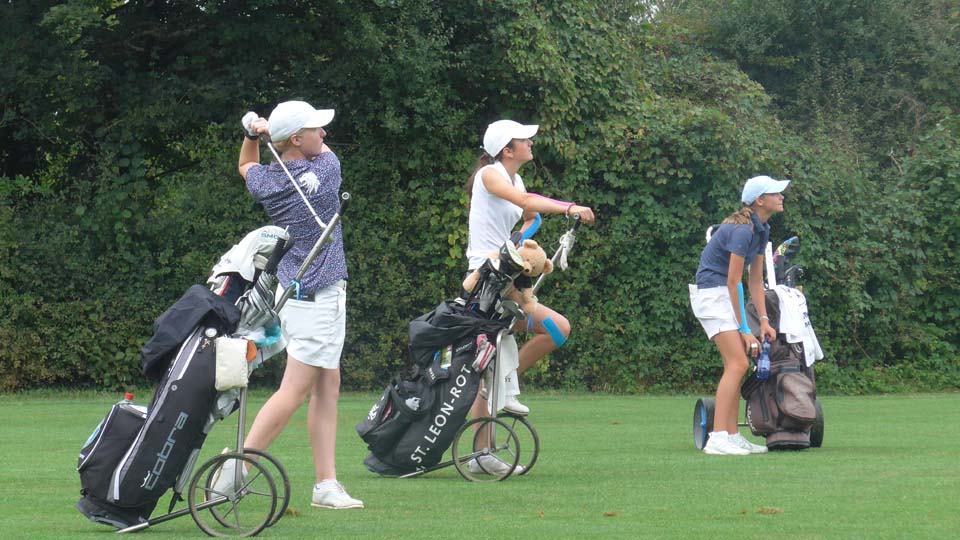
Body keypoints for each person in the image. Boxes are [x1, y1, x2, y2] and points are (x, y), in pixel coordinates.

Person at [213, 101, 363, 508]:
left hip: (295, 297)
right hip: (319, 298)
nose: (324, 136)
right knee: (295, 389)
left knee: (327, 383)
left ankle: (325, 484)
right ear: (296, 140)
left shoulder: (270, 182)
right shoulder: (327, 172)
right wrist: (266, 132)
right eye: (316, 130)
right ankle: (237, 469)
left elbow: (246, 167)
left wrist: (252, 134)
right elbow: (327, 155)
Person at [462, 119, 595, 473]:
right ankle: (481, 455)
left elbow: (529, 215)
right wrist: (569, 208)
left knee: (557, 330)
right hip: (486, 280)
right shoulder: (490, 175)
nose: (532, 143)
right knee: (487, 365)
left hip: (508, 273)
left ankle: (507, 381)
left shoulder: (515, 178)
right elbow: (524, 201)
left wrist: (525, 238)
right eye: (525, 140)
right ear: (508, 149)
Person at [689, 175, 789, 455]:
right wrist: (745, 328)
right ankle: (718, 438)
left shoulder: (761, 229)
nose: (781, 196)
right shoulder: (742, 230)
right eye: (775, 193)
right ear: (760, 200)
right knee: (738, 364)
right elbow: (734, 282)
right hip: (711, 295)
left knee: (735, 365)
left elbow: (755, 281)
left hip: (724, 295)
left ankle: (731, 436)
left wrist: (765, 320)